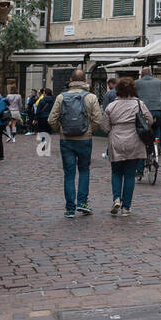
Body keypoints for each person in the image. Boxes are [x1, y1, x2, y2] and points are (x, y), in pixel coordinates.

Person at [48, 70, 103, 218]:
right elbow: (98, 120)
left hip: (66, 140)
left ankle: (70, 209)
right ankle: (82, 203)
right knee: (84, 170)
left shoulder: (61, 97)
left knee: (69, 174)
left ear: (71, 80)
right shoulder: (91, 97)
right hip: (85, 139)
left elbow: (51, 119)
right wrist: (90, 131)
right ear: (85, 80)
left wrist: (61, 130)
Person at [100, 77, 153, 215]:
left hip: (116, 140)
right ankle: (126, 207)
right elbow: (150, 120)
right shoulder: (139, 104)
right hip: (134, 140)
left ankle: (116, 198)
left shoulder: (111, 106)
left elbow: (104, 127)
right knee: (129, 175)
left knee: (116, 172)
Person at [134, 66, 161, 156]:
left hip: (144, 110)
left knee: (143, 129)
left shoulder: (136, 82)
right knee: (157, 127)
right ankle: (157, 144)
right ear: (151, 74)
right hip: (159, 109)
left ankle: (144, 147)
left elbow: (135, 97)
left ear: (141, 75)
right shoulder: (158, 82)